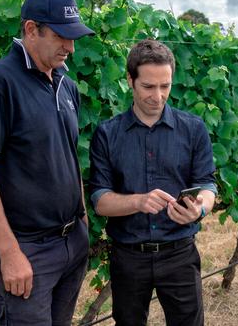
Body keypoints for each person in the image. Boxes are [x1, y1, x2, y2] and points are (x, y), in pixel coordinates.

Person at [0, 0, 95, 326]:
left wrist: (82, 221)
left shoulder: (68, 86)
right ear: (31, 30)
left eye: (74, 37)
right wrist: (9, 254)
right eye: (61, 36)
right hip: (28, 252)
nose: (70, 47)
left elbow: (68, 155)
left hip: (71, 243)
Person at [89, 39, 217, 326]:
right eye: (148, 86)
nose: (158, 96)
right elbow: (99, 200)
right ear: (130, 81)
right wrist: (138, 201)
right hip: (128, 257)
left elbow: (207, 185)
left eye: (165, 86)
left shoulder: (193, 128)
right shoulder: (107, 135)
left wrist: (200, 210)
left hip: (180, 254)